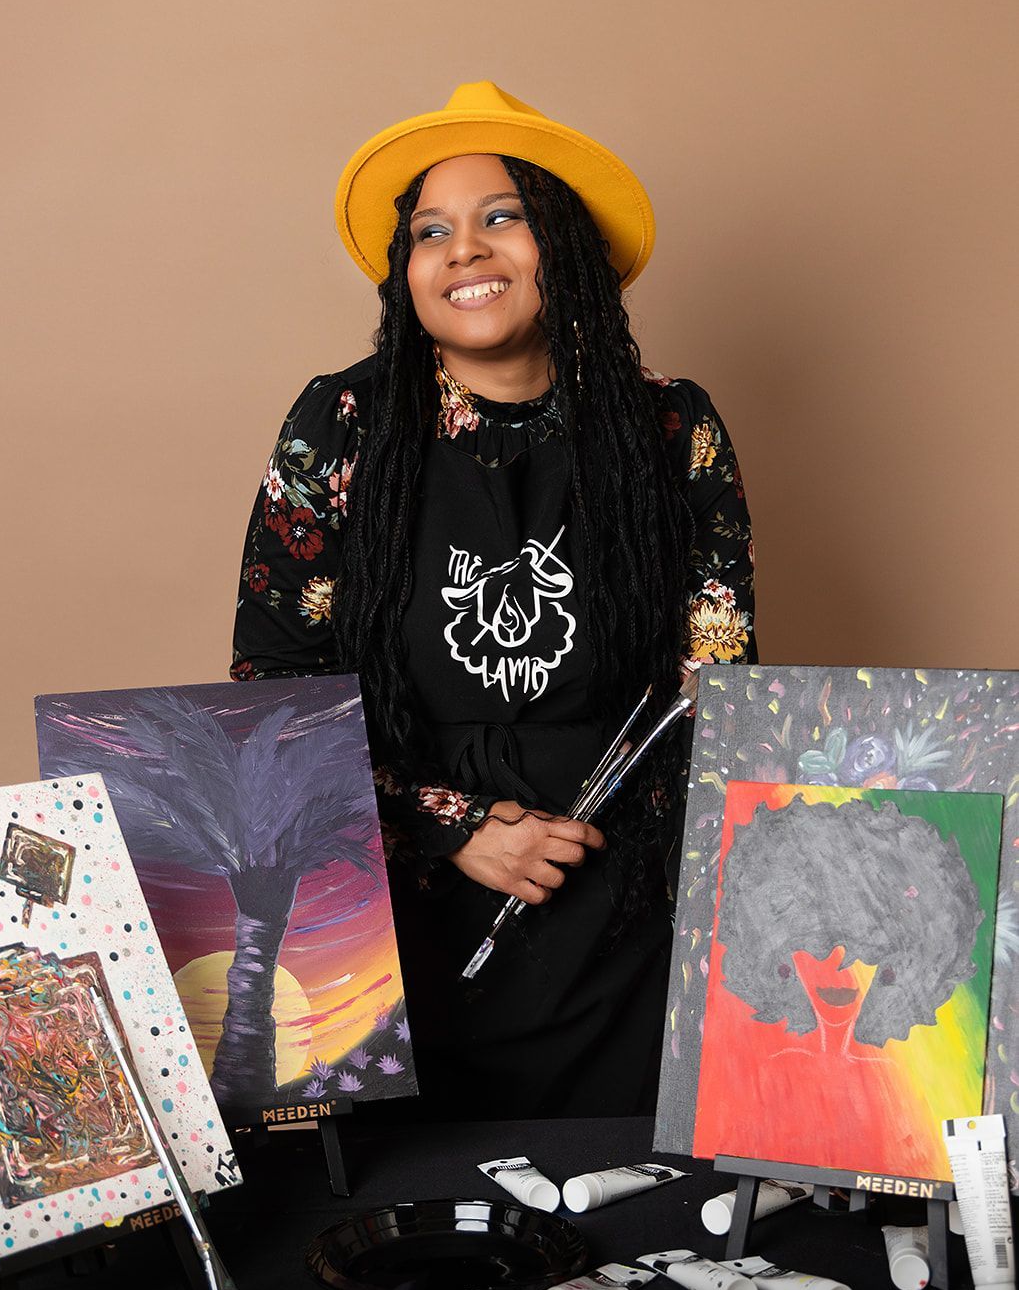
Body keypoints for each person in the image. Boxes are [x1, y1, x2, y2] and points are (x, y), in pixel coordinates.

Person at [232, 81, 755, 1119]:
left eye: (501, 217)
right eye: (430, 231)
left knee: (622, 1183)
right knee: (406, 1192)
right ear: (405, 272)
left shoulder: (668, 427)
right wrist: (454, 825)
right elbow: (273, 689)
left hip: (614, 907)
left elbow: (717, 688)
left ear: (566, 247)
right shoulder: (342, 422)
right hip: (389, 912)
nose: (463, 250)